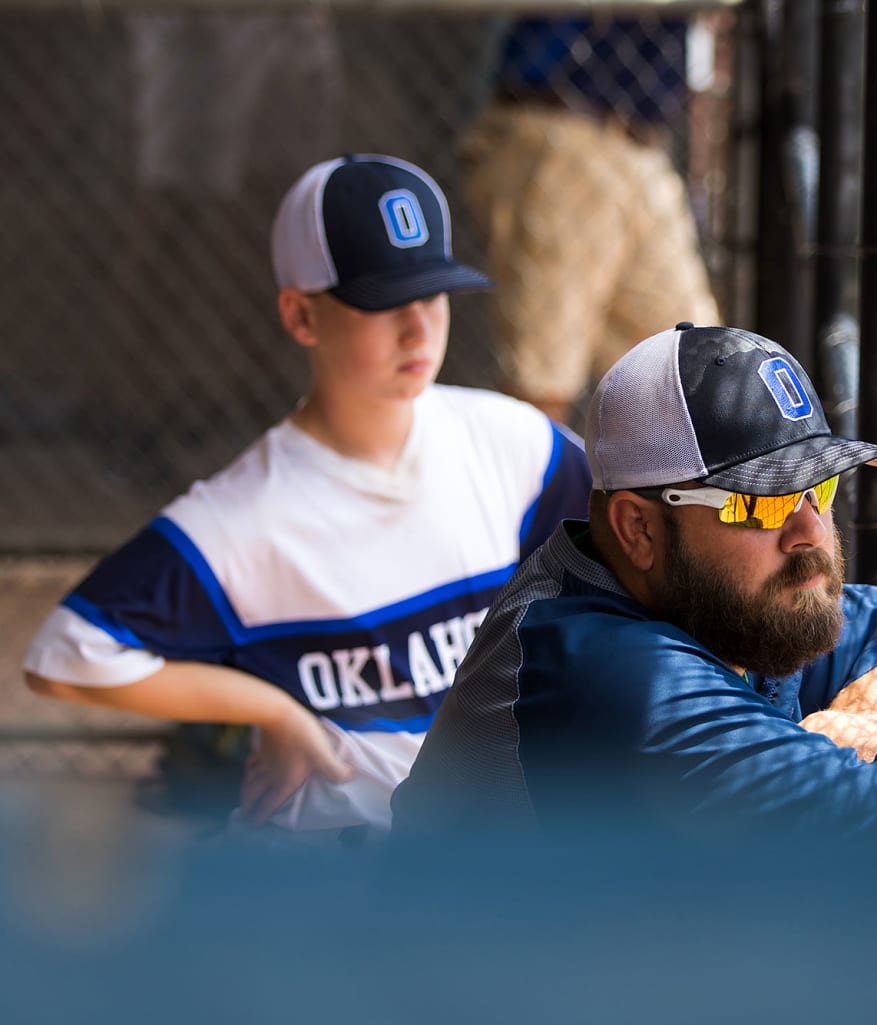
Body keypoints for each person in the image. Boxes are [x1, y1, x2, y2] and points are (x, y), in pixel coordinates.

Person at [22, 154, 592, 841]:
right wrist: (275, 710)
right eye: (383, 302)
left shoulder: (510, 441)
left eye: (433, 294)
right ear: (300, 315)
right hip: (338, 876)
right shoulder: (245, 516)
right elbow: (65, 653)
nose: (418, 329)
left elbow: (629, 559)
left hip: (496, 855)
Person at [391, 323, 877, 840]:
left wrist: (831, 748)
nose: (810, 531)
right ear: (638, 528)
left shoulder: (740, 601)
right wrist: (865, 743)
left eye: (820, 488)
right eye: (761, 503)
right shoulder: (608, 677)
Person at [458, 15, 720, 426]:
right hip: (565, 127)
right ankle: (529, 488)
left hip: (641, 143)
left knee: (699, 376)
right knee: (543, 385)